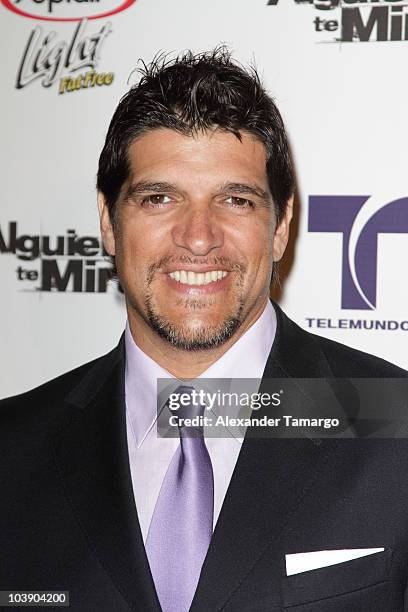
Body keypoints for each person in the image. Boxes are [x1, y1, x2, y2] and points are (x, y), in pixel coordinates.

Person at [1, 48, 407, 612]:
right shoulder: (12, 448)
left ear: (282, 226)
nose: (197, 237)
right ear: (108, 222)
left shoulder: (395, 425)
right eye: (160, 198)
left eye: (235, 200)